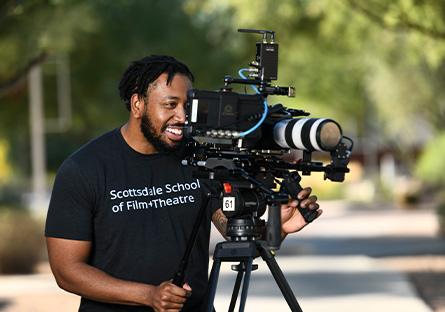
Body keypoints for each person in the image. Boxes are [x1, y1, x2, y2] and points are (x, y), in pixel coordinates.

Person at [45, 55, 321, 312]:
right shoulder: (84, 168)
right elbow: (66, 271)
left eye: (188, 105)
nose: (183, 116)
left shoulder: (201, 158)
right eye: (170, 105)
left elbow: (232, 230)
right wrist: (148, 295)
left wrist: (278, 227)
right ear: (137, 104)